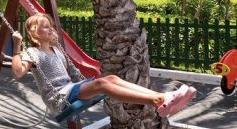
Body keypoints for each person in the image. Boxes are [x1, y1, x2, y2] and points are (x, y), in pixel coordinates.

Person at [11, 13, 196, 118]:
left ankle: (162, 98)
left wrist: (58, 45)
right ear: (34, 33)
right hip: (59, 97)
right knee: (102, 84)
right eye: (46, 27)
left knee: (112, 79)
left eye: (51, 26)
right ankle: (159, 100)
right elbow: (18, 72)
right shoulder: (33, 52)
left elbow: (71, 72)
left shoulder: (56, 50)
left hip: (70, 88)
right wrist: (17, 46)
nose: (51, 29)